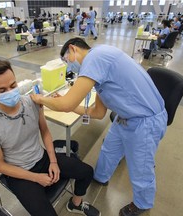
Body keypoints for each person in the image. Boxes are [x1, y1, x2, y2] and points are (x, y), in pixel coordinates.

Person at [30, 37, 167, 216]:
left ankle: (142, 204)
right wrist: (63, 102)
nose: (69, 66)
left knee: (141, 168)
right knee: (109, 150)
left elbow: (66, 105)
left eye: (66, 60)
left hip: (144, 121)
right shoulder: (100, 68)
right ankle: (100, 177)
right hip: (125, 117)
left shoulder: (96, 58)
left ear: (73, 49)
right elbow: (97, 113)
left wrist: (41, 99)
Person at [0, 59, 101, 216]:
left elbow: (45, 131)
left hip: (42, 158)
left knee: (86, 172)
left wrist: (53, 161)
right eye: (2, 90)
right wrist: (35, 177)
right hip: (18, 173)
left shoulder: (32, 103)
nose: (10, 92)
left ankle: (75, 204)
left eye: (13, 86)